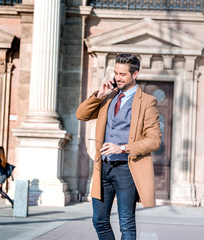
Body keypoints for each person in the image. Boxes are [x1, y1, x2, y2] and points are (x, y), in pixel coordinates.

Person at [76, 53, 161, 240]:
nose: (117, 78)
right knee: (99, 221)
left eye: (123, 74)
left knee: (126, 224)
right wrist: (99, 95)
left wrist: (122, 148)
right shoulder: (108, 97)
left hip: (127, 169)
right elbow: (81, 115)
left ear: (135, 74)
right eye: (116, 73)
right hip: (103, 168)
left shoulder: (147, 102)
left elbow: (154, 140)